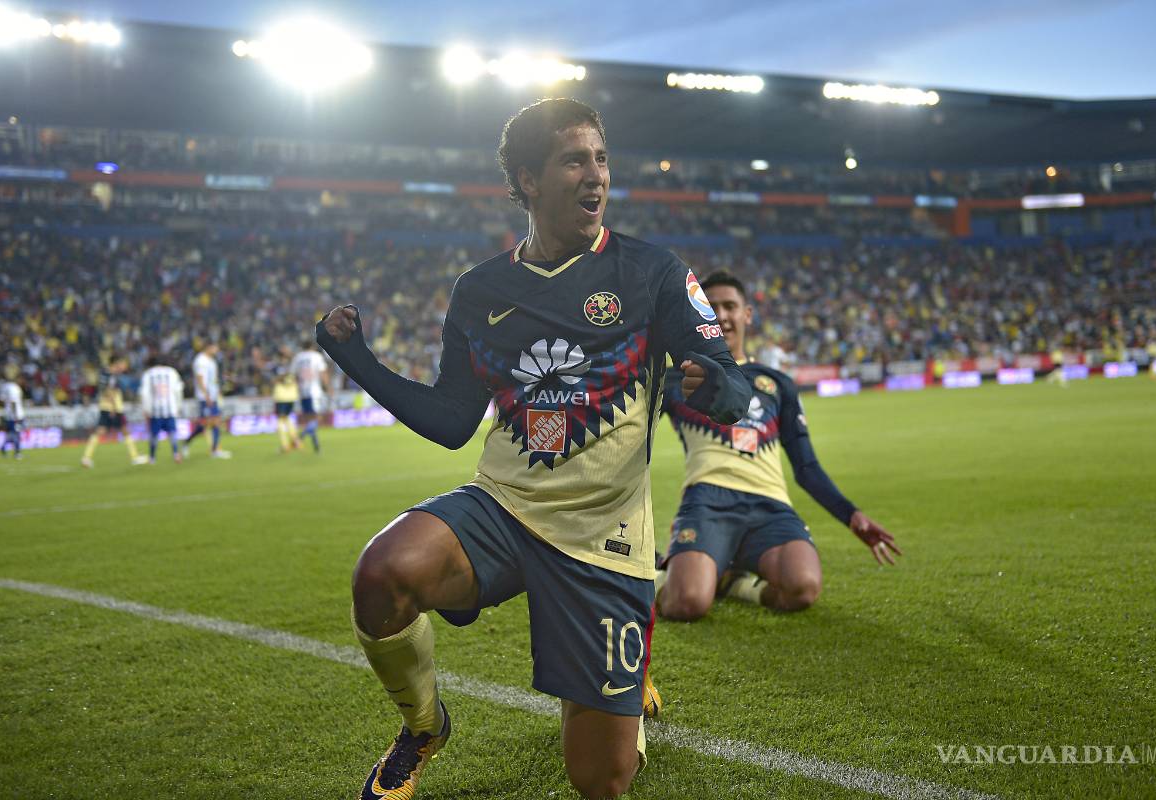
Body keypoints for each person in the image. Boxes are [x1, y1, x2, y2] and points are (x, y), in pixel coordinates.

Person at [316, 98, 750, 800]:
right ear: (527, 181)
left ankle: (628, 665)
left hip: (603, 535)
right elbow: (454, 418)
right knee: (381, 575)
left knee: (597, 781)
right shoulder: (481, 291)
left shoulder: (653, 273)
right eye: (575, 160)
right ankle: (424, 726)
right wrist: (354, 357)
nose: (596, 175)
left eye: (602, 159)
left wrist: (715, 389)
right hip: (505, 508)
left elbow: (725, 376)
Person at [656, 270, 901, 623]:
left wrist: (852, 514)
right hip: (708, 502)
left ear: (747, 315)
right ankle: (655, 572)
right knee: (686, 603)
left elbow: (806, 467)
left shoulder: (777, 383)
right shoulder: (678, 378)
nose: (722, 315)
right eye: (712, 307)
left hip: (770, 507)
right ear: (700, 316)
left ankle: (736, 582)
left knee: (803, 587)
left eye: (731, 306)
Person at [81, 357, 149, 468]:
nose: (124, 368)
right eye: (123, 365)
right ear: (117, 363)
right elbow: (108, 391)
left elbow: (102, 388)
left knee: (100, 431)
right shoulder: (110, 375)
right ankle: (134, 456)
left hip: (106, 407)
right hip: (113, 408)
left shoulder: (105, 373)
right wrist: (113, 407)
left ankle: (86, 457)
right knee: (124, 430)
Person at [184, 341, 232, 459]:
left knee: (216, 421)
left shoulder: (211, 360)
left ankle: (215, 450)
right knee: (205, 424)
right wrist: (206, 396)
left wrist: (217, 393)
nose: (217, 350)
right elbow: (200, 379)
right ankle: (187, 443)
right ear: (209, 347)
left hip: (213, 396)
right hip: (205, 397)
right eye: (215, 348)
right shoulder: (201, 361)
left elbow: (212, 380)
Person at [139, 353, 185, 464]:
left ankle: (152, 457)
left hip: (155, 411)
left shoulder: (148, 374)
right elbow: (178, 390)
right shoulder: (172, 372)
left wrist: (146, 409)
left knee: (154, 434)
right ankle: (176, 453)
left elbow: (144, 393)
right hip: (170, 409)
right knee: (172, 432)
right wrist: (179, 405)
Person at [290, 340, 330, 453]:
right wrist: (328, 387)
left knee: (309, 420)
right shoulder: (316, 356)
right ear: (312, 346)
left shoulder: (297, 358)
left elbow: (293, 375)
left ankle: (316, 446)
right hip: (315, 392)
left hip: (303, 393)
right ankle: (299, 438)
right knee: (318, 418)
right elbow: (323, 373)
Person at [271, 348, 301, 453]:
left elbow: (275, 380)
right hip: (292, 395)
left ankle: (285, 445)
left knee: (280, 420)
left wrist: (280, 377)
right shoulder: (293, 365)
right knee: (287, 419)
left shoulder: (278, 366)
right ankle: (296, 441)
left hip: (281, 396)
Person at [0, 376, 25, 460]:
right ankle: (17, 453)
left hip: (8, 415)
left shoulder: (4, 387)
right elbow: (14, 402)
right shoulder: (14, 387)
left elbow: (1, 400)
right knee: (16, 434)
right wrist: (16, 417)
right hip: (16, 415)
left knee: (11, 433)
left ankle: (3, 447)